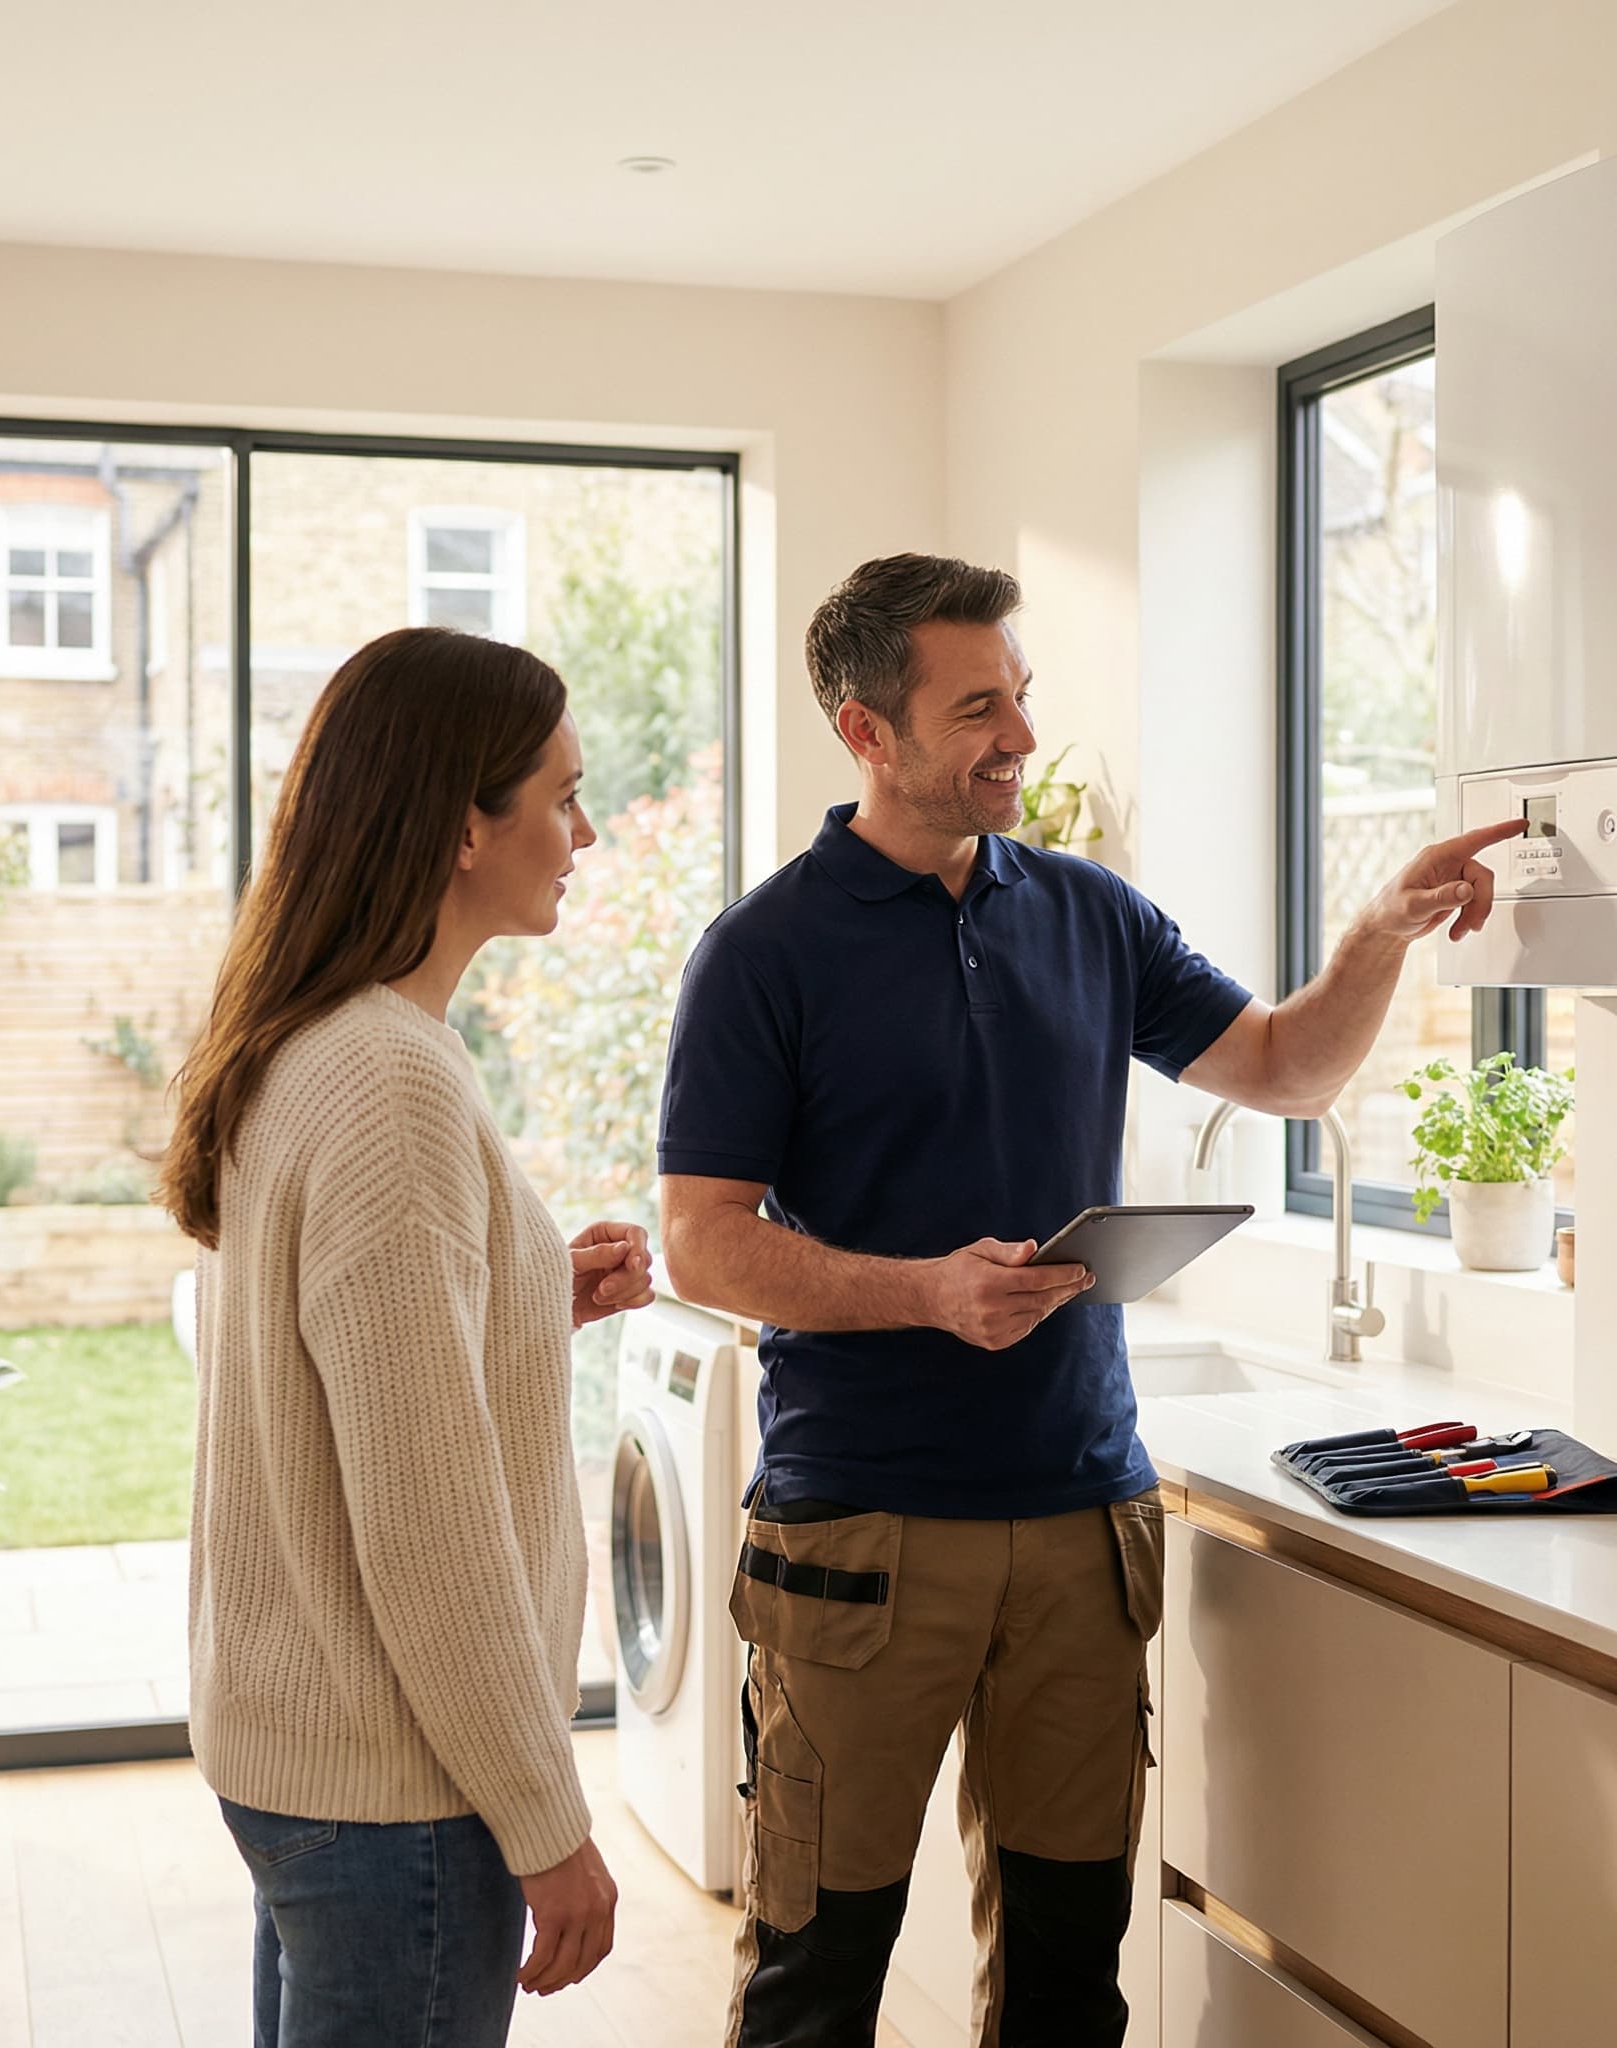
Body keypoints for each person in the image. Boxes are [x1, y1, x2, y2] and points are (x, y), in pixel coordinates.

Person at [656, 555, 1521, 2048]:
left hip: (1080, 1523)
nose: (1020, 736)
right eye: (975, 705)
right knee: (819, 1973)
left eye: (1023, 694)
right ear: (867, 732)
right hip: (859, 1535)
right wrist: (926, 1292)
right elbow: (703, 1242)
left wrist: (1375, 934)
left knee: (1072, 1977)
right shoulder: (763, 953)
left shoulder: (1089, 913)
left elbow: (1286, 1069)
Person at [158, 626, 654, 2048]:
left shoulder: (324, 1038)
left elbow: (343, 1357)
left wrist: (518, 1293)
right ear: (461, 827)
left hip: (311, 1760)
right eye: (560, 795)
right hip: (403, 1791)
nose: (585, 830)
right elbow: (427, 1526)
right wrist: (547, 1820)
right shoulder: (390, 1079)